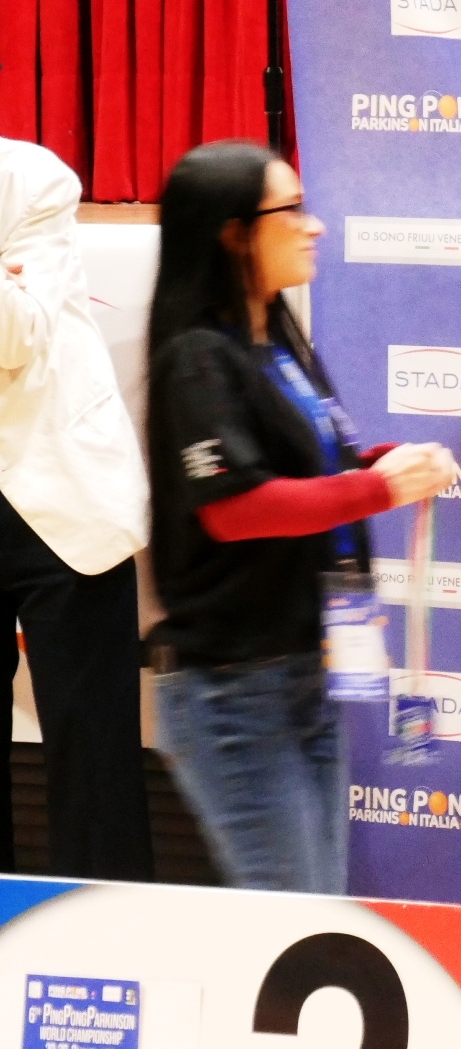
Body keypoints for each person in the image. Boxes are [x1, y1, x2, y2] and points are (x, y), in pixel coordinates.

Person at [144, 140, 456, 893]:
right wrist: (375, 490)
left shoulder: (276, 344)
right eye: (291, 210)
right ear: (233, 233)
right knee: (287, 919)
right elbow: (236, 508)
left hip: (301, 672)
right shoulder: (197, 357)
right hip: (232, 689)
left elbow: (306, 469)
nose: (313, 226)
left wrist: (382, 463)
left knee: (312, 917)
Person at [0, 136, 154, 880]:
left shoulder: (31, 178)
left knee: (95, 768)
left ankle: (105, 938)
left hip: (58, 497)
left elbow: (17, 336)